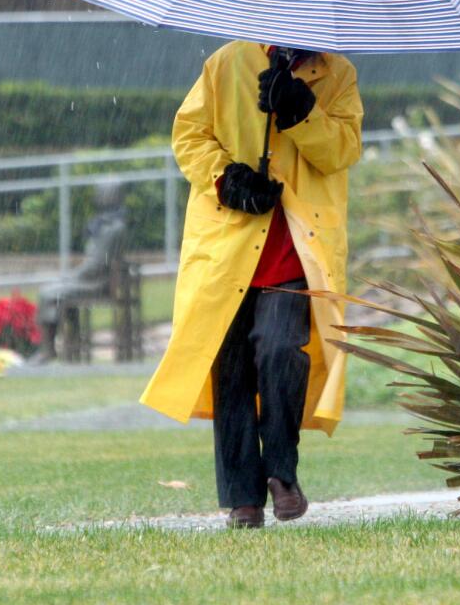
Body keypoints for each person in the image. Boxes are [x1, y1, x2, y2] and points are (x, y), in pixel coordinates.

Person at [140, 40, 363, 529]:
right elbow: (191, 135)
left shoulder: (338, 74)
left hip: (296, 252)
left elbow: (342, 151)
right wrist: (229, 179)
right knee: (232, 370)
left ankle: (282, 473)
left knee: (281, 350)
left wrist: (301, 111)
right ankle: (242, 499)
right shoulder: (226, 63)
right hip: (229, 249)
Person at [36, 181, 128, 360]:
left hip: (97, 284)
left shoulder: (112, 228)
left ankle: (47, 351)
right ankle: (71, 348)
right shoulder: (105, 224)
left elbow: (97, 265)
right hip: (92, 279)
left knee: (48, 293)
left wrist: (71, 277)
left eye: (104, 192)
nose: (99, 196)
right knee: (55, 289)